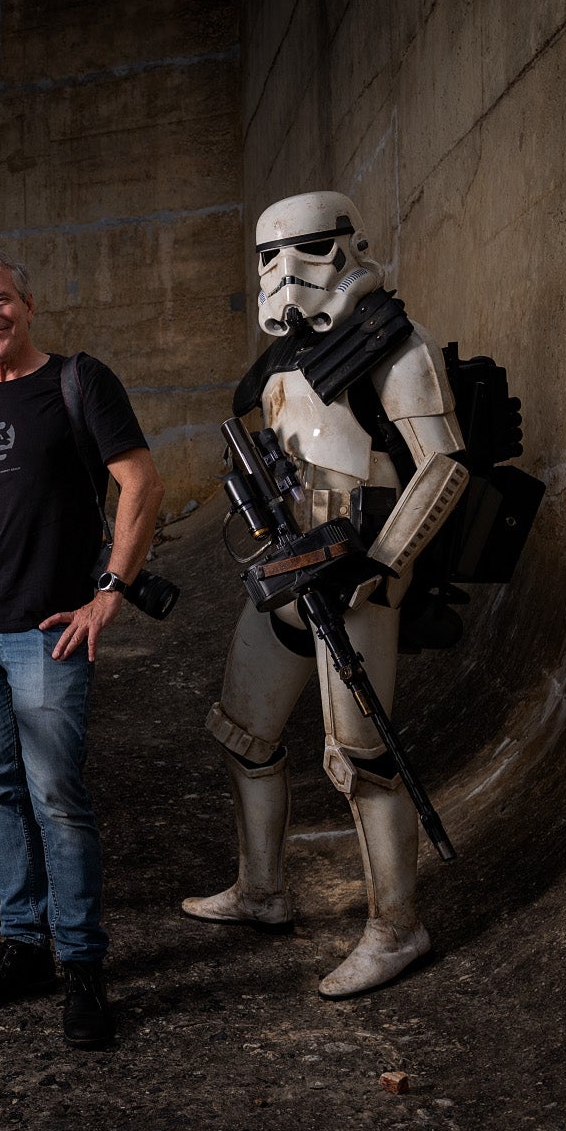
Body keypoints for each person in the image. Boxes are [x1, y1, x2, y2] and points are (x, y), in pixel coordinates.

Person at [182, 191, 470, 997]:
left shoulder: (395, 347)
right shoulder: (278, 362)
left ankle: (395, 926)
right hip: (287, 571)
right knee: (243, 733)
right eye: (268, 258)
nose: (284, 272)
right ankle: (262, 890)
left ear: (349, 246)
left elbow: (443, 466)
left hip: (353, 584)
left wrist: (382, 565)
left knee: (360, 762)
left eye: (304, 250)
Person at [0, 245, 163, 1049]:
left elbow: (141, 480)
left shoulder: (79, 381)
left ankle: (82, 964)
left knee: (57, 795)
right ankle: (24, 947)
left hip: (47, 632)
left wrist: (112, 590)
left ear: (26, 305)